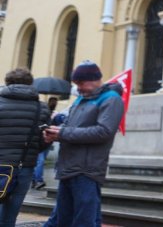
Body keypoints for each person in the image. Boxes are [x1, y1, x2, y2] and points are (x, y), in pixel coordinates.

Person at [42, 60, 124, 227]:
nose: (78, 87)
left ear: (94, 79)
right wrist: (56, 134)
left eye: (80, 83)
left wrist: (63, 133)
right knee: (62, 219)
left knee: (83, 220)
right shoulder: (80, 99)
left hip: (86, 169)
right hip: (68, 166)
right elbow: (71, 126)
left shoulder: (111, 99)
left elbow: (104, 132)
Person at [0, 68, 51, 227]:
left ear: (7, 82)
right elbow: (43, 142)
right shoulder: (41, 107)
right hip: (24, 167)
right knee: (9, 216)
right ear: (30, 83)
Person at [32, 96, 58, 190]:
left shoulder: (53, 113)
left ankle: (36, 180)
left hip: (44, 139)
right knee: (40, 160)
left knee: (39, 160)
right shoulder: (47, 112)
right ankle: (38, 180)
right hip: (42, 139)